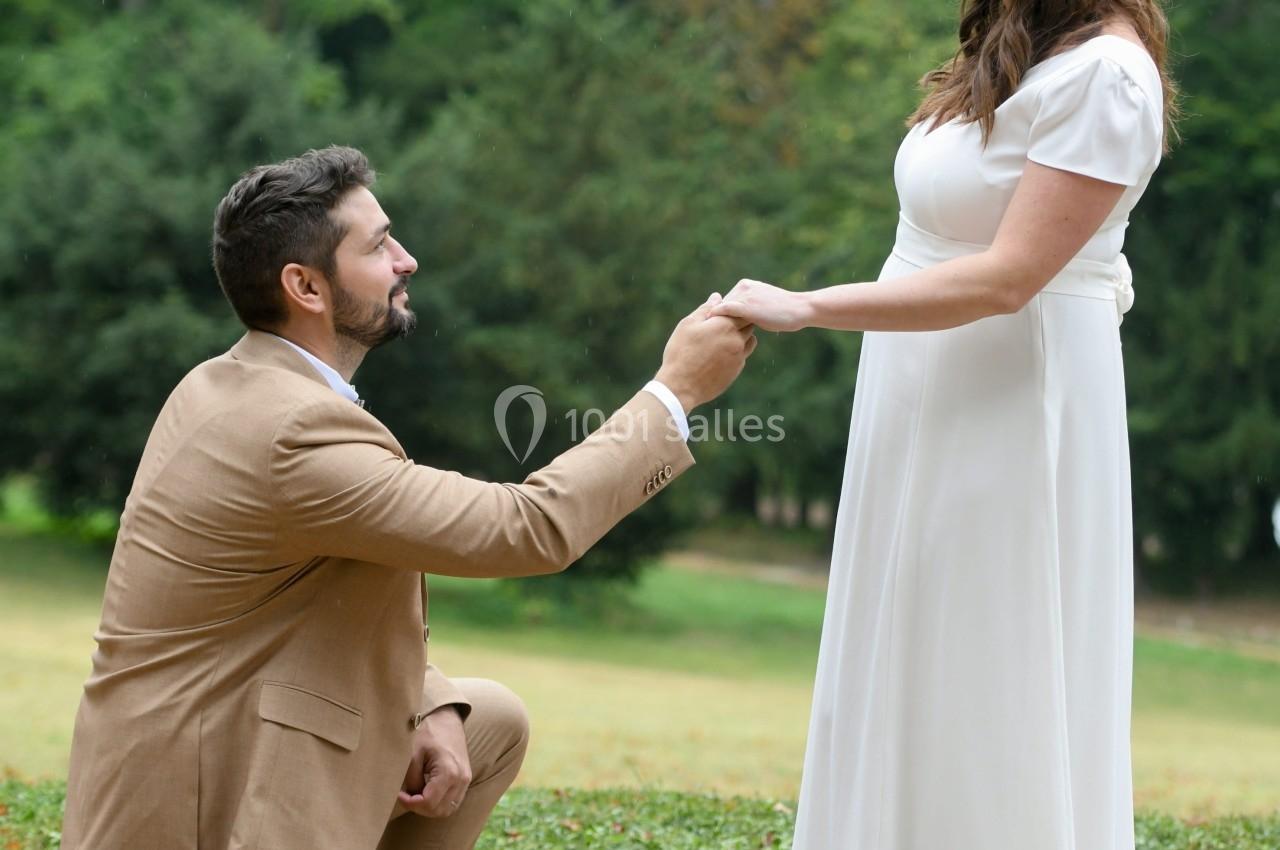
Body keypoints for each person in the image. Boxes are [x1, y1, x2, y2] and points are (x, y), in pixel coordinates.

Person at [61, 145, 756, 850]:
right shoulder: (292, 430)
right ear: (306, 287)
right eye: (379, 245)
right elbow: (524, 529)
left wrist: (429, 702)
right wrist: (677, 391)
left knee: (486, 720)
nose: (406, 259)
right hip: (202, 802)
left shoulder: (230, 380)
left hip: (230, 722)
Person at [710, 2, 1177, 848]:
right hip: (920, 384)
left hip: (1010, 401)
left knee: (987, 658)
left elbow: (1008, 279)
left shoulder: (1106, 76)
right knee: (905, 644)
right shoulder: (1029, 48)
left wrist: (810, 305)